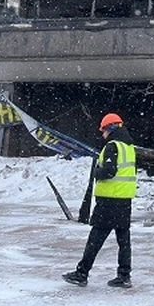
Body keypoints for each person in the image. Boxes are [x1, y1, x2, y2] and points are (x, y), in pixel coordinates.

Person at [63, 113, 137, 289]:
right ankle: (124, 276)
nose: (102, 134)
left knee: (96, 238)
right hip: (124, 199)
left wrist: (97, 172)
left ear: (110, 128)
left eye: (103, 130)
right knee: (124, 240)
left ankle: (82, 273)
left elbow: (109, 172)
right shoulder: (129, 146)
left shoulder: (113, 146)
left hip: (109, 201)